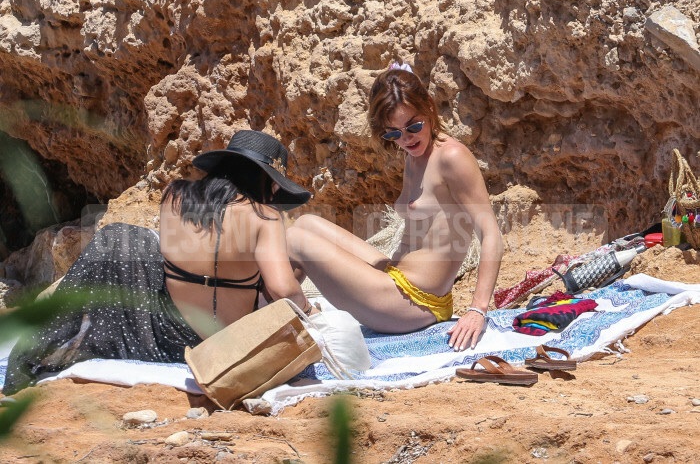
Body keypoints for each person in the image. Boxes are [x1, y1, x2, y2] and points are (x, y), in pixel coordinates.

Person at [3, 130, 313, 395]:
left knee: (123, 240)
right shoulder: (265, 217)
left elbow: (171, 254)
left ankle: (43, 347)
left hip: (162, 338)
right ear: (267, 181)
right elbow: (283, 289)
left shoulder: (175, 196)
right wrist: (308, 310)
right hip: (226, 347)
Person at [286, 63, 503, 350]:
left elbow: (491, 234)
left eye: (413, 126)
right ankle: (282, 317)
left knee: (295, 240)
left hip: (415, 302)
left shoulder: (451, 157)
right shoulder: (413, 157)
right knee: (305, 224)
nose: (406, 138)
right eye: (393, 133)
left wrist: (477, 309)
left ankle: (287, 324)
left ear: (429, 107)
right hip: (395, 279)